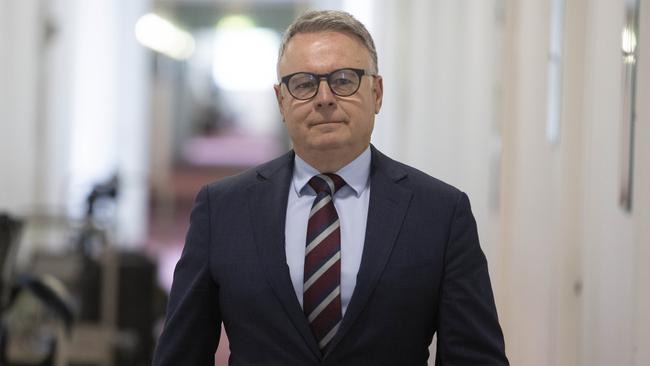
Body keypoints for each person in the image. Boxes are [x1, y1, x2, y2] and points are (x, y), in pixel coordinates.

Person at [152, 10, 508, 366]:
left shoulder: (441, 213)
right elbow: (181, 354)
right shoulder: (223, 209)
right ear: (282, 101)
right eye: (304, 84)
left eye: (343, 80)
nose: (324, 98)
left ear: (377, 92)